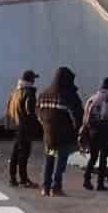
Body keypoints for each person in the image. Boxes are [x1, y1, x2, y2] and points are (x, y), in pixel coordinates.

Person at [35, 67, 82, 196]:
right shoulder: (69, 95)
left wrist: (46, 126)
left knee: (49, 160)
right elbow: (77, 117)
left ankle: (45, 187)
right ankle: (56, 188)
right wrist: (77, 132)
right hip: (64, 139)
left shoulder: (43, 94)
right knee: (60, 164)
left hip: (49, 137)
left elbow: (37, 114)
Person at [82, 77, 108, 191]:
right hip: (104, 131)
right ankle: (100, 184)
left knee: (93, 157)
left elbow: (86, 117)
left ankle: (86, 180)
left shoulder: (92, 98)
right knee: (103, 158)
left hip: (91, 131)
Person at [5, 70, 40, 188]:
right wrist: (36, 127)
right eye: (33, 79)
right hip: (24, 128)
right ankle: (24, 180)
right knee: (24, 154)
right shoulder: (28, 93)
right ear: (30, 80)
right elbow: (31, 112)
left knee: (15, 153)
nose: (34, 81)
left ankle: (12, 178)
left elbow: (9, 110)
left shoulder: (15, 92)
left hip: (15, 126)